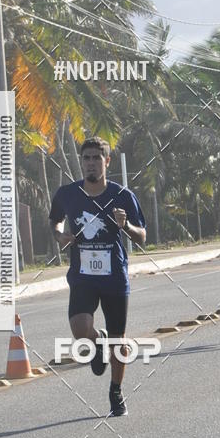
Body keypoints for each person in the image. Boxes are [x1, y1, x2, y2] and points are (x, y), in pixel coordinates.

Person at [49, 137, 146, 416]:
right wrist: (60, 235)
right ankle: (95, 341)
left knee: (119, 340)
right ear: (81, 162)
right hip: (83, 277)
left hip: (114, 277)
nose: (90, 163)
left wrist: (125, 225)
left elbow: (141, 236)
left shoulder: (122, 195)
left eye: (96, 158)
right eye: (86, 158)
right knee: (80, 330)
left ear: (107, 161)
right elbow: (54, 219)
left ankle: (116, 391)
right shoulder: (67, 194)